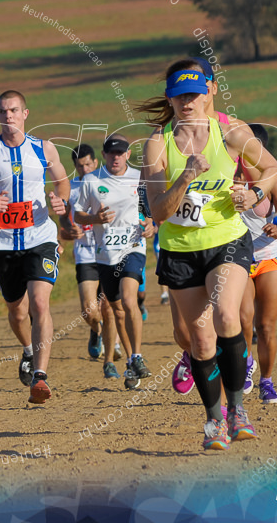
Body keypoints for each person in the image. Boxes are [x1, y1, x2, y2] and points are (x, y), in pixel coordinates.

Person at [140, 59, 277, 450]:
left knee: (225, 315)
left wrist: (254, 194)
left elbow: (271, 168)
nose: (188, 102)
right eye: (179, 95)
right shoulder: (157, 143)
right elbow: (158, 211)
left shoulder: (232, 132)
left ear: (209, 91)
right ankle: (214, 420)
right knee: (198, 343)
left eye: (194, 93)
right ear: (169, 98)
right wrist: (185, 176)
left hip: (227, 241)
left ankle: (238, 410)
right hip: (181, 250)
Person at [0, 90, 71, 404]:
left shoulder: (43, 148)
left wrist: (59, 200)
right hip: (4, 242)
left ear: (25, 113)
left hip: (41, 237)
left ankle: (40, 375)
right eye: (2, 111)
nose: (7, 116)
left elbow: (62, 181)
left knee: (39, 304)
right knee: (17, 310)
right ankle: (27, 350)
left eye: (13, 110)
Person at [72, 135, 156, 388]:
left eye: (120, 153)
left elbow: (149, 210)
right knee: (117, 310)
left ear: (128, 155)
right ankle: (131, 361)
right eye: (111, 153)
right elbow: (77, 213)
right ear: (104, 155)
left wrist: (151, 225)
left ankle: (138, 356)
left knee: (129, 300)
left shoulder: (139, 178)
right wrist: (95, 219)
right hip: (105, 253)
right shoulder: (91, 180)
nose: (116, 157)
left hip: (132, 247)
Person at [238, 124, 277, 404]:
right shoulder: (227, 178)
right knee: (242, 319)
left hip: (269, 256)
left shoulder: (272, 183)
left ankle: (267, 381)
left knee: (266, 326)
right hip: (237, 258)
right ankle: (247, 364)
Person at [59, 143, 114, 366]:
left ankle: (113, 342)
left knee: (110, 306)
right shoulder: (70, 189)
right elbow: (63, 216)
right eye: (80, 166)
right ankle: (97, 329)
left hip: (110, 251)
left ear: (96, 163)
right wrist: (68, 228)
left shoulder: (108, 184)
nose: (85, 169)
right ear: (75, 166)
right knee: (88, 311)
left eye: (88, 164)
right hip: (84, 254)